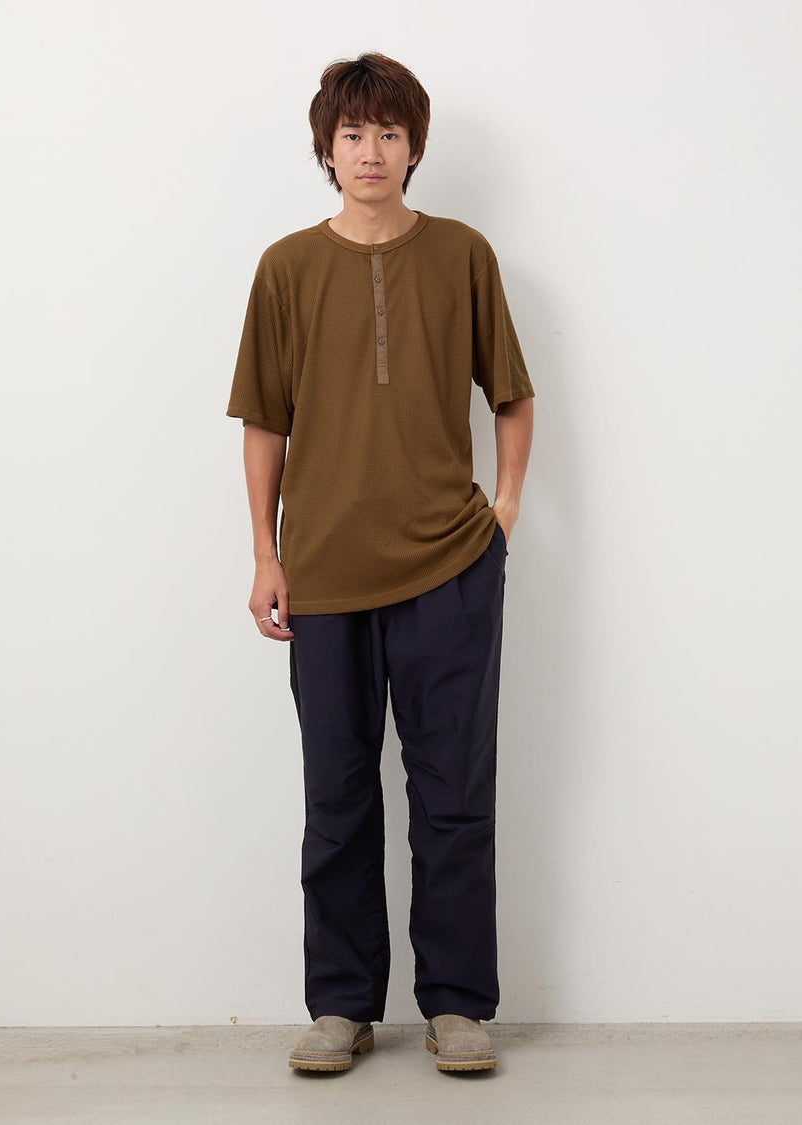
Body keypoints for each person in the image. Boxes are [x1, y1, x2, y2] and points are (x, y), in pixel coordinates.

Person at [226, 51, 535, 1074]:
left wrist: (504, 510)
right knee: (338, 794)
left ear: (414, 146)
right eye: (353, 134)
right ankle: (342, 1006)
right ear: (327, 148)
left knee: (454, 793)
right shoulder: (285, 267)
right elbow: (264, 420)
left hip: (451, 565)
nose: (371, 151)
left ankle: (457, 1004)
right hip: (322, 573)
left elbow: (511, 394)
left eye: (390, 133)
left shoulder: (463, 256)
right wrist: (265, 553)